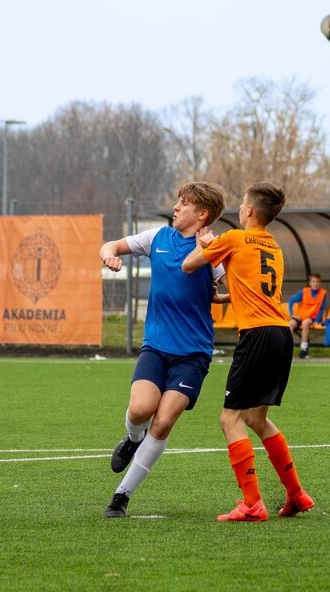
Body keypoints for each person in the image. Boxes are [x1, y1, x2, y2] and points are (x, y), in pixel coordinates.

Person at [182, 182, 314, 522]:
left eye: (242, 203)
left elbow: (188, 266)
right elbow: (252, 287)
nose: (240, 208)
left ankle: (252, 504)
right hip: (280, 334)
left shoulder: (234, 238)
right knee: (256, 418)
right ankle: (296, 494)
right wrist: (225, 295)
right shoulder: (274, 247)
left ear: (250, 210)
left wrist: (203, 244)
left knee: (230, 419)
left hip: (256, 334)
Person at [100, 182, 228, 518]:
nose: (176, 207)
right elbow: (112, 244)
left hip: (193, 353)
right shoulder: (157, 237)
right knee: (140, 411)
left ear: (202, 215)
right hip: (156, 347)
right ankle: (132, 439)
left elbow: (230, 288)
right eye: (178, 201)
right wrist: (108, 255)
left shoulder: (213, 250)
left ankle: (121, 496)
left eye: (184, 204)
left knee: (164, 422)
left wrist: (219, 282)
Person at [287, 273, 328, 358]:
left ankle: (304, 349)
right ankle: (287, 348)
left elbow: (321, 309)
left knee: (305, 323)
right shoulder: (304, 291)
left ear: (320, 283)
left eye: (317, 282)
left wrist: (316, 321)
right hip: (300, 316)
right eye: (313, 281)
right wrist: (292, 314)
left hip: (312, 317)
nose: (315, 283)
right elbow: (291, 301)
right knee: (290, 324)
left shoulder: (323, 293)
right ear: (310, 283)